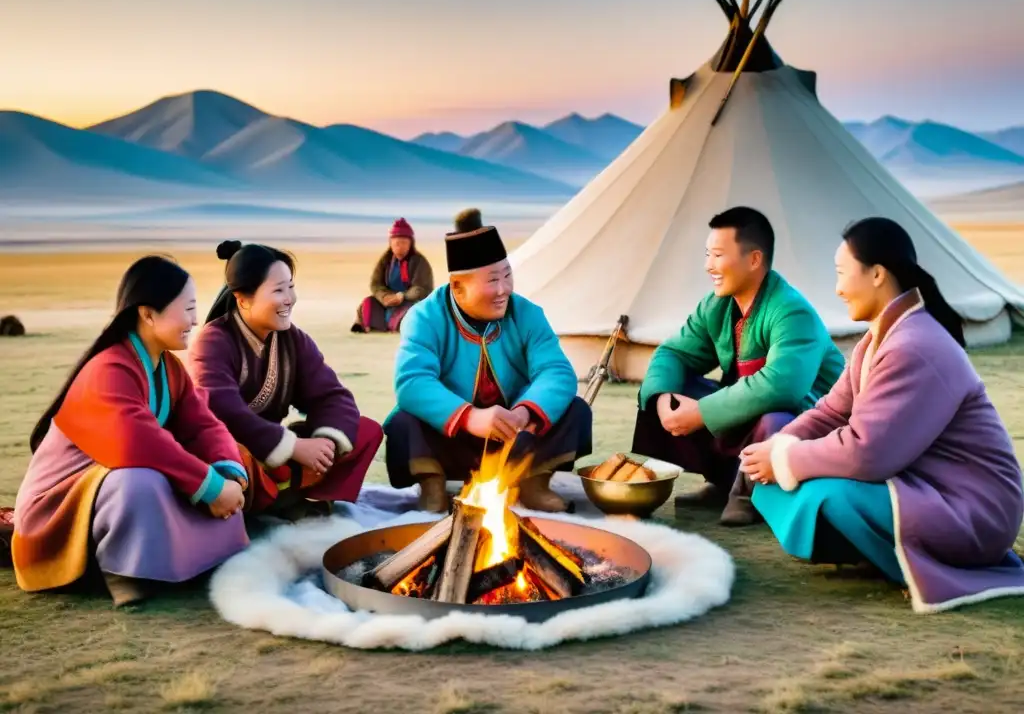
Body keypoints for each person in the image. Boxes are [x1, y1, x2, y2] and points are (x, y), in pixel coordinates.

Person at [742, 217, 1024, 613]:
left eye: (842, 274)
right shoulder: (880, 338)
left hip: (974, 510)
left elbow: (867, 453)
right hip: (928, 490)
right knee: (776, 483)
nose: (837, 288)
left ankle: (909, 567)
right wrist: (773, 448)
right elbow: (829, 412)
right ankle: (890, 555)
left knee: (828, 494)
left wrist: (785, 460)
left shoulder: (915, 345)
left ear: (876, 274)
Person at [12, 256, 250, 607]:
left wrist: (227, 474)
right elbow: (135, 442)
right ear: (148, 314)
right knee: (140, 481)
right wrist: (211, 488)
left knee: (200, 475)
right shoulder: (108, 368)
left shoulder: (170, 368)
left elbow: (203, 425)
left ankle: (172, 561)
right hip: (59, 509)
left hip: (115, 487)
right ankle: (123, 570)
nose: (195, 320)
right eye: (187, 309)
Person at [631, 207, 846, 526]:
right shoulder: (716, 305)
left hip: (806, 425)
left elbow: (781, 388)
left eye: (718, 255)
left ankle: (751, 495)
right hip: (747, 417)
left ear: (754, 260)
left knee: (777, 420)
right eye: (708, 255)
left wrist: (701, 412)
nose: (708, 266)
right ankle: (723, 484)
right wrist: (664, 398)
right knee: (675, 389)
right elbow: (673, 353)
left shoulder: (792, 312)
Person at [383, 208, 592, 513]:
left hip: (515, 437)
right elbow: (412, 382)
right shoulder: (424, 318)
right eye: (493, 280)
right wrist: (470, 417)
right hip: (452, 439)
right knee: (405, 419)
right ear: (457, 286)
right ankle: (432, 487)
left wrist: (523, 413)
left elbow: (556, 371)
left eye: (508, 275)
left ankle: (534, 482)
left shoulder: (528, 314)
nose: (504, 289)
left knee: (574, 409)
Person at [189, 241, 383, 520]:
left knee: (365, 431)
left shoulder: (293, 340)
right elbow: (220, 408)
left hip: (275, 456)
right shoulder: (213, 341)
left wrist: (325, 441)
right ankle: (266, 502)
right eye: (278, 290)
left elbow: (332, 395)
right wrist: (292, 447)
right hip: (234, 453)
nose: (289, 298)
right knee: (237, 457)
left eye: (290, 287)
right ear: (243, 299)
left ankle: (297, 497)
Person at [351, 217, 434, 333]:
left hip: (409, 302)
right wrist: (384, 297)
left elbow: (421, 288)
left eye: (404, 242)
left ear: (411, 243)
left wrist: (402, 296)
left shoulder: (420, 262)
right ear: (391, 243)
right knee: (368, 303)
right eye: (397, 243)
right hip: (388, 301)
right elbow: (376, 284)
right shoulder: (386, 261)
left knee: (413, 313)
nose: (400, 246)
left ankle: (399, 326)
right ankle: (365, 325)